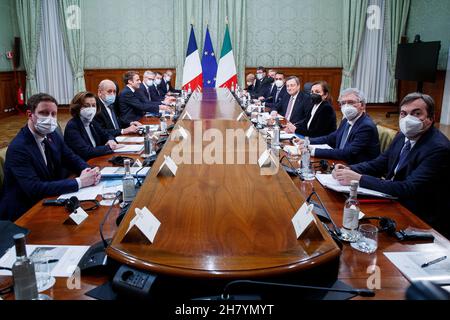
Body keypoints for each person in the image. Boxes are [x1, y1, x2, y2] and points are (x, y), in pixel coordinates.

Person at [332, 93, 450, 237]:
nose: (408, 119)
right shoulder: (402, 136)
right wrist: (349, 169)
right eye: (403, 113)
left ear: (430, 118)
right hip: (391, 199)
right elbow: (380, 164)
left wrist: (359, 178)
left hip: (418, 218)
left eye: (416, 113)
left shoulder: (438, 148)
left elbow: (408, 188)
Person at [0, 93, 100, 221]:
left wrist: (89, 170)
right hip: (24, 212)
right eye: (44, 113)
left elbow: (70, 157)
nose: (50, 118)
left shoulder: (52, 134)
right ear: (30, 115)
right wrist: (80, 182)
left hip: (49, 198)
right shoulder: (19, 148)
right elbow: (34, 188)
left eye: (53, 114)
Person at [295, 88, 380, 164]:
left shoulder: (366, 126)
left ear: (362, 105)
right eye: (343, 103)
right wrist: (307, 141)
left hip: (356, 169)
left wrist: (313, 151)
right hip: (340, 163)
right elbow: (332, 137)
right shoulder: (346, 120)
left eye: (351, 102)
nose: (346, 106)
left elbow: (347, 153)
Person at [65, 92, 122, 161]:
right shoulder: (72, 126)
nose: (91, 109)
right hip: (85, 164)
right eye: (86, 106)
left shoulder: (92, 122)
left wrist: (110, 140)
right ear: (77, 107)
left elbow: (106, 134)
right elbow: (86, 152)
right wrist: (109, 147)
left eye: (93, 105)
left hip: (97, 159)